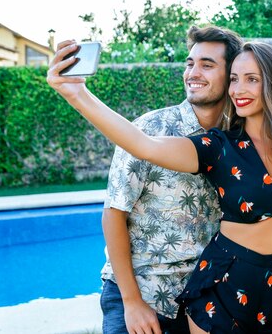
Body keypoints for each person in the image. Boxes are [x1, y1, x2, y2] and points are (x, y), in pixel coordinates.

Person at [47, 40, 272, 334]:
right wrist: (77, 94)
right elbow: (143, 144)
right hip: (224, 291)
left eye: (252, 79)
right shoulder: (219, 147)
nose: (238, 90)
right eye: (234, 79)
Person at [94, 25, 243, 334]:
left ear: (231, 75)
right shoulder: (148, 129)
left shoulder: (238, 139)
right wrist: (132, 302)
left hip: (204, 296)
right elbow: (113, 214)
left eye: (207, 64)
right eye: (190, 63)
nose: (193, 72)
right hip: (140, 291)